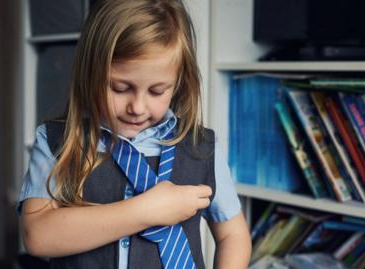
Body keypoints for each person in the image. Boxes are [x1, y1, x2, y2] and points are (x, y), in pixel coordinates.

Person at [17, 0, 251, 268]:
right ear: (90, 73)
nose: (137, 107)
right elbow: (37, 236)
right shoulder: (56, 141)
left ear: (178, 83)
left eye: (157, 91)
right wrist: (147, 210)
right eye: (119, 87)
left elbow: (233, 234)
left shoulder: (202, 147)